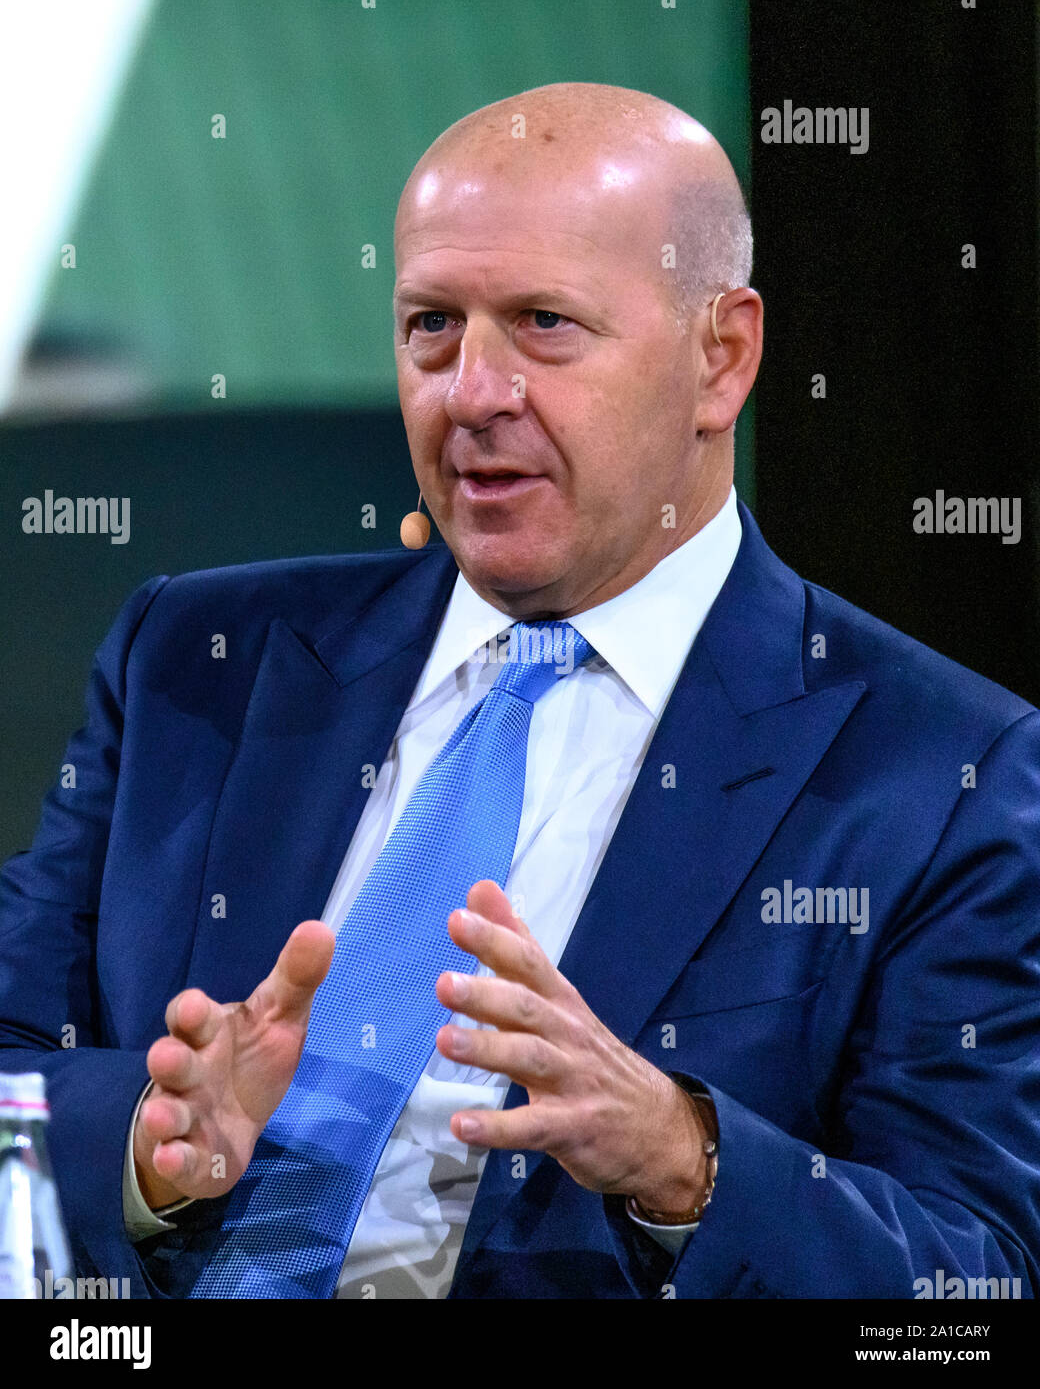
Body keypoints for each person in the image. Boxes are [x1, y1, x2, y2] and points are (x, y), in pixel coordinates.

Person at [1, 82, 1038, 1301]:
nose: (471, 392)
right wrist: (145, 1145)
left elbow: (974, 1279)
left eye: (544, 322)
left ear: (722, 356)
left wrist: (678, 1155)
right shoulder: (192, 660)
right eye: (431, 324)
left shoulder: (938, 772)